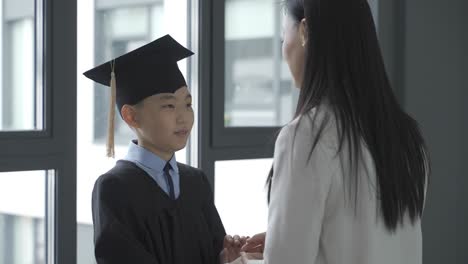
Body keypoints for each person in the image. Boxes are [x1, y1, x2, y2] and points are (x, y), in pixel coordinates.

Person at [241, 0, 430, 263]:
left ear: (305, 31)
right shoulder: (407, 135)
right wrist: (279, 241)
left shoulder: (306, 135)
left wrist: (244, 260)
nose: (284, 49)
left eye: (284, 37)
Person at [84, 35, 245, 264]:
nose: (184, 117)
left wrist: (225, 258)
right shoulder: (114, 188)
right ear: (131, 116)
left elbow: (211, 251)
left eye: (188, 104)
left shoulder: (196, 182)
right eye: (169, 105)